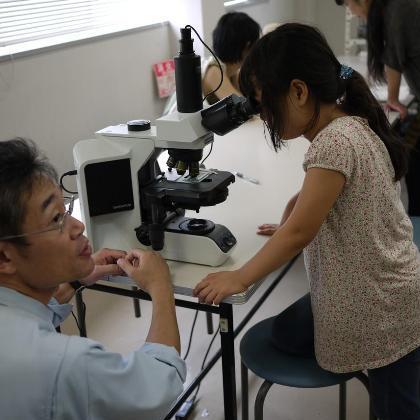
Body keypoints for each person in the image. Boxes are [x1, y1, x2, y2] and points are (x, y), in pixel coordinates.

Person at [193, 23, 420, 420]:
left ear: (298, 91)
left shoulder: (333, 142)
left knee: (397, 408)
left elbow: (300, 233)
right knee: (288, 331)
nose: (264, 118)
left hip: (381, 308)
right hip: (390, 289)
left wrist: (240, 278)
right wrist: (290, 218)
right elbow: (319, 198)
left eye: (264, 105)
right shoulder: (351, 124)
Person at [0, 138, 186, 419]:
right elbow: (159, 384)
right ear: (5, 257)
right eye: (55, 220)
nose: (78, 226)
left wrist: (74, 281)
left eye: (66, 210)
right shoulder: (66, 364)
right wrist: (160, 286)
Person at [335, 0, 420, 215]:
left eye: (348, 5)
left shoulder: (399, 9)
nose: (352, 12)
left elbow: (393, 58)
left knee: (412, 165)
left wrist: (392, 98)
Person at [202, 11, 261, 104]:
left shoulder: (232, 71)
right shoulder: (214, 70)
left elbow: (243, 99)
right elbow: (241, 106)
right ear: (247, 46)